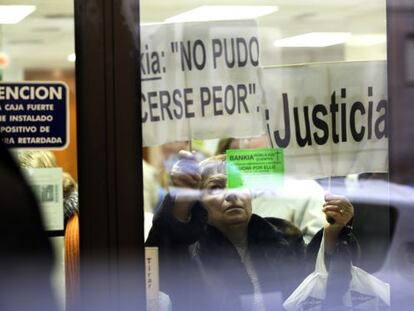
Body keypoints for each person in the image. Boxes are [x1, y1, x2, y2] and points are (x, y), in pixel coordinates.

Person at [146, 151, 358, 311]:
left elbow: (314, 286)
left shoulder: (283, 235)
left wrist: (335, 229)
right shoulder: (188, 251)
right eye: (216, 188)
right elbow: (155, 272)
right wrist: (181, 199)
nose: (231, 195)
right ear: (197, 202)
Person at [215, 136, 327, 243]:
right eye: (230, 155)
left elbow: (316, 249)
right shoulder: (215, 197)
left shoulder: (306, 190)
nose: (243, 143)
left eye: (251, 136)